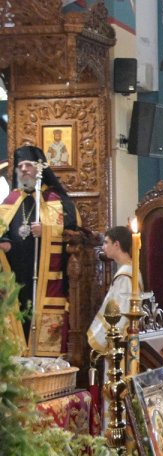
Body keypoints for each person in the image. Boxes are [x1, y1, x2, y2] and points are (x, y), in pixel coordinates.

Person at [0, 144, 80, 356]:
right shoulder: (10, 200)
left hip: (45, 280)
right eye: (20, 166)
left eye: (28, 165)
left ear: (40, 169)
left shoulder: (55, 200)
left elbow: (74, 231)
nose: (24, 169)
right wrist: (4, 241)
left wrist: (48, 230)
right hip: (15, 279)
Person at [86, 226, 137, 356]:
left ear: (116, 244)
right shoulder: (130, 270)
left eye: (106, 242)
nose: (103, 247)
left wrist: (111, 339)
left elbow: (121, 311)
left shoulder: (125, 275)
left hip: (121, 343)